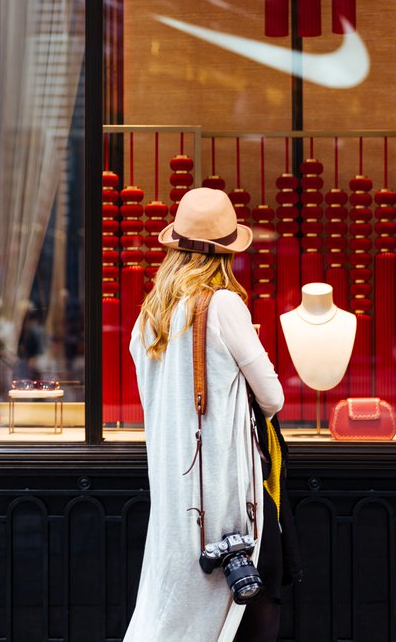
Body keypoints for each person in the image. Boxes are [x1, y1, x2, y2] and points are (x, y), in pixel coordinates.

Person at [124, 187, 285, 642]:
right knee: (254, 598)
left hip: (174, 488)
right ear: (225, 254)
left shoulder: (148, 316)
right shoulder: (224, 305)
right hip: (224, 491)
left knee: (170, 601)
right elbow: (272, 398)